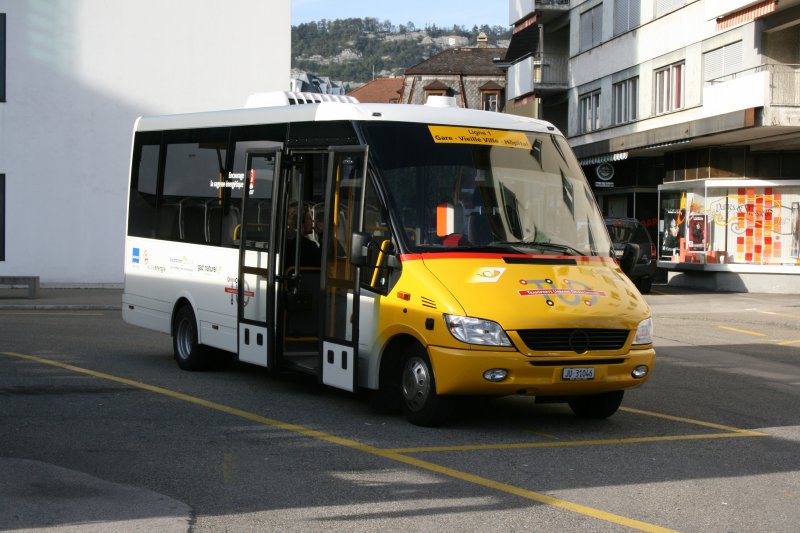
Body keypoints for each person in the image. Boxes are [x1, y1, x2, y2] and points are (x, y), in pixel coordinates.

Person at [287, 203, 321, 267]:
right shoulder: (308, 246)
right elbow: (324, 261)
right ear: (301, 222)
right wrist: (322, 235)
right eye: (309, 218)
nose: (313, 221)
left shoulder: (288, 241)